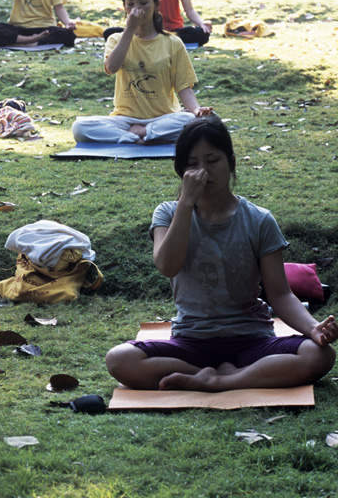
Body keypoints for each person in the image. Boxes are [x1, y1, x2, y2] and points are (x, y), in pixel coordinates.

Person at [105, 118, 337, 392]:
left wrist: (313, 329)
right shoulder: (168, 213)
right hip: (191, 341)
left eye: (212, 160)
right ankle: (228, 376)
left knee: (319, 355)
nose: (202, 171)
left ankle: (218, 381)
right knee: (120, 359)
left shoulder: (259, 220)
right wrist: (186, 204)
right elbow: (167, 265)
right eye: (192, 164)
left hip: (252, 339)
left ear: (231, 162)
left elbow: (281, 294)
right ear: (181, 171)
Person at [71, 0, 212, 144]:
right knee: (79, 127)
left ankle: (143, 133)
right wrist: (130, 29)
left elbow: (184, 86)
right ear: (124, 7)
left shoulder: (172, 43)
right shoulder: (116, 39)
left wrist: (196, 110)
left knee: (194, 122)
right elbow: (111, 67)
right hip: (125, 120)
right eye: (130, 4)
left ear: (156, 5)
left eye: (143, 3)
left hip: (164, 118)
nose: (137, 9)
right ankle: (136, 137)